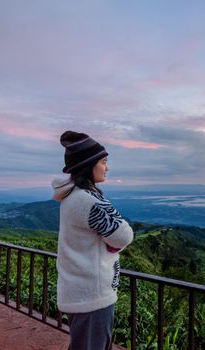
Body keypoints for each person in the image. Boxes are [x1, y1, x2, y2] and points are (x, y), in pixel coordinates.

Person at [51, 130, 134, 350]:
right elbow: (125, 234)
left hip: (80, 291)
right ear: (89, 164)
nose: (107, 168)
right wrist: (114, 242)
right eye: (104, 162)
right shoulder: (87, 200)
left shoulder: (73, 196)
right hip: (92, 295)